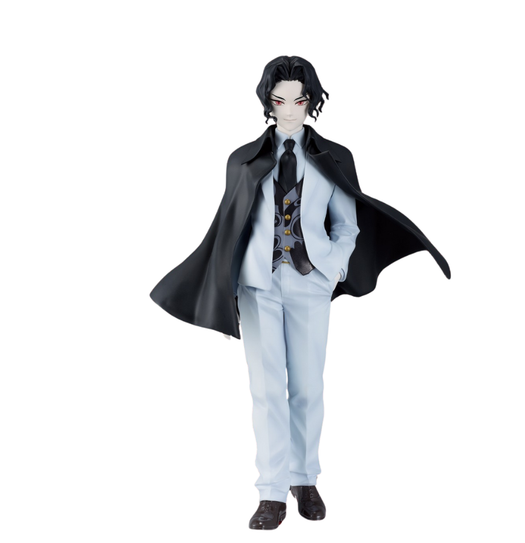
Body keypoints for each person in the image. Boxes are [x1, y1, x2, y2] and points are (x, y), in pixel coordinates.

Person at [150, 55, 451, 530]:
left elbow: (347, 225)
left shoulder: (334, 158)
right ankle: (271, 491)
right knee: (266, 389)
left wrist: (331, 270)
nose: (290, 110)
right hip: (258, 284)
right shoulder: (243, 158)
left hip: (310, 283)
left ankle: (304, 478)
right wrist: (226, 293)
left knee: (308, 387)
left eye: (299, 100)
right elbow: (228, 229)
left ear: (312, 100)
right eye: (279, 101)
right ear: (268, 103)